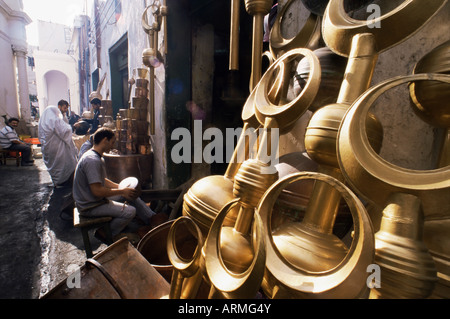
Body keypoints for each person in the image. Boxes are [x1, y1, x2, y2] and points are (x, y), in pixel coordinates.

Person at [73, 127, 156, 242]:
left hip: (93, 200)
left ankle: (152, 218)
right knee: (130, 211)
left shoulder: (94, 156)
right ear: (105, 140)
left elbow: (102, 180)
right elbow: (97, 191)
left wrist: (120, 187)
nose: (112, 146)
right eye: (112, 142)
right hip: (90, 205)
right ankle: (107, 233)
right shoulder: (92, 160)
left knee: (129, 195)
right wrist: (122, 191)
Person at [38, 105, 78, 187]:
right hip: (57, 148)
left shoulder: (42, 122)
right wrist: (72, 127)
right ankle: (62, 181)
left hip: (47, 148)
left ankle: (56, 181)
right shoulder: (54, 119)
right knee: (61, 164)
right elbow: (65, 131)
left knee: (54, 165)